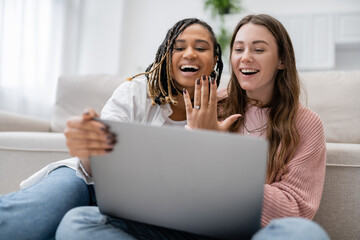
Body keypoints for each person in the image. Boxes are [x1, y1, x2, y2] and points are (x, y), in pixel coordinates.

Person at [55, 15, 330, 240]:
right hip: (188, 227)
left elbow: (294, 209)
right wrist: (196, 142)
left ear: (282, 60)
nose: (245, 57)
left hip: (249, 233)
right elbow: (176, 181)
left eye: (258, 49)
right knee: (78, 222)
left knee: (304, 234)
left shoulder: (305, 124)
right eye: (238, 49)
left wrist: (216, 152)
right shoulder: (210, 102)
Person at [0, 18, 228, 240]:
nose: (189, 53)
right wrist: (89, 144)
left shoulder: (228, 109)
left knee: (72, 228)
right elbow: (94, 164)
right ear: (167, 57)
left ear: (215, 57)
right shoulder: (136, 91)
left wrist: (207, 143)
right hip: (88, 180)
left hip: (144, 211)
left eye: (200, 47)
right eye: (178, 47)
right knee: (36, 212)